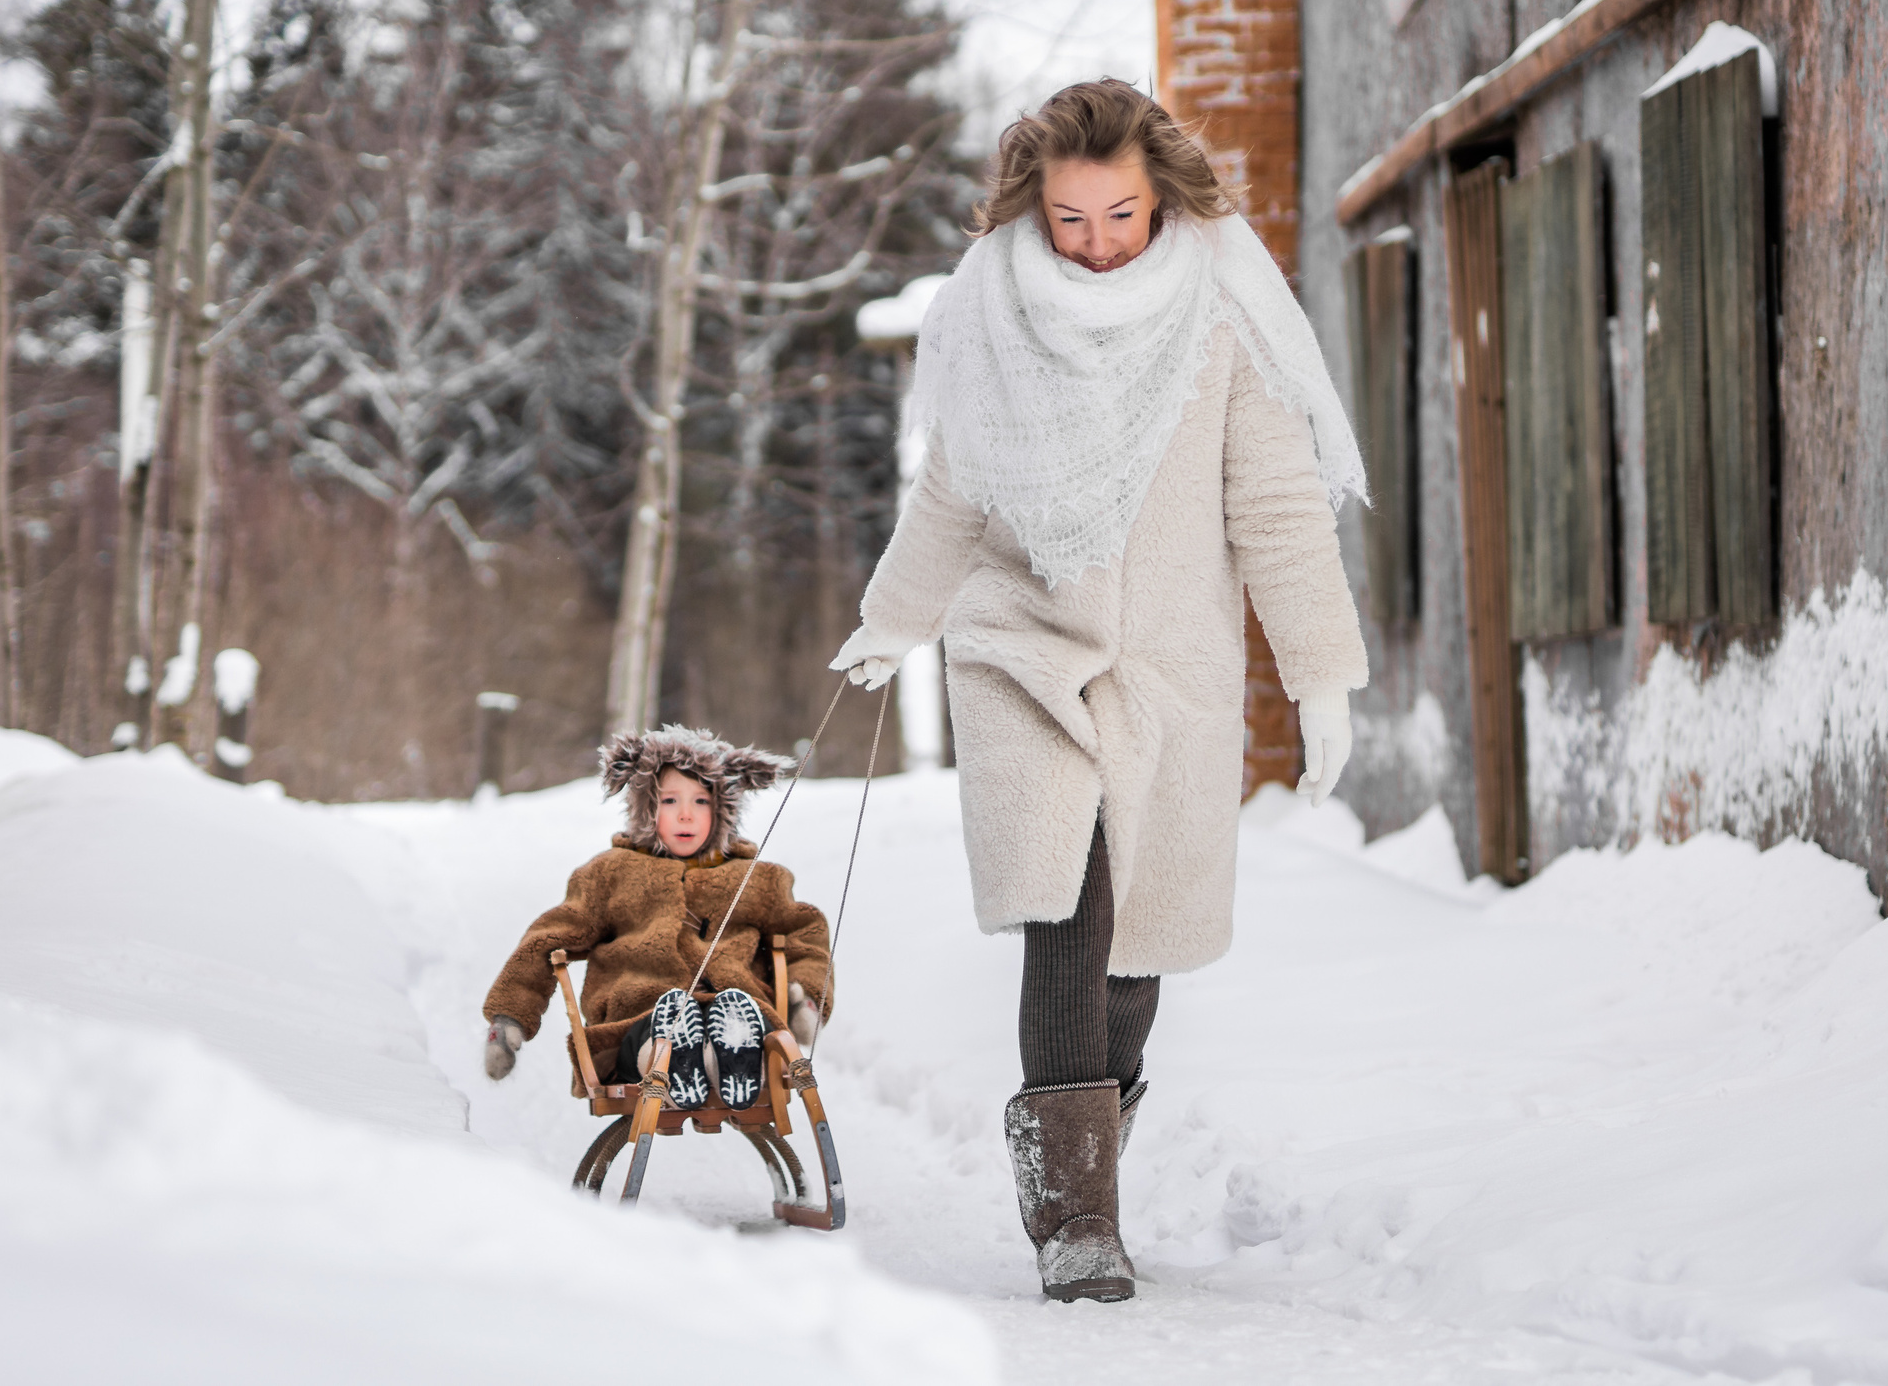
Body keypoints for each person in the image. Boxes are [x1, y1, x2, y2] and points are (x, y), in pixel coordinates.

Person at [830, 79, 1368, 1303]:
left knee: (1135, 954)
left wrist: (1322, 676)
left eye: (1119, 214)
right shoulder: (990, 314)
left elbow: (1275, 509)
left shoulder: (1222, 313)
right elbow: (953, 498)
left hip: (1170, 668)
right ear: (1034, 207)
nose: (1096, 243)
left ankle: (1085, 1138)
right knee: (1066, 912)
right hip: (1020, 652)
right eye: (1070, 220)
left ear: (1159, 193)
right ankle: (1077, 1219)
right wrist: (891, 622)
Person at [479, 726, 829, 1112]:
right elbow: (549, 938)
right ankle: (671, 1060)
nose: (685, 814)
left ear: (723, 807)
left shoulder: (757, 879)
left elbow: (804, 933)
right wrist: (509, 1016)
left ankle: (732, 1058)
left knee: (742, 1014)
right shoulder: (611, 873)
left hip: (739, 1009)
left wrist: (806, 998)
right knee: (664, 1021)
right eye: (669, 800)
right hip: (638, 1019)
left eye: (700, 801)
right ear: (646, 804)